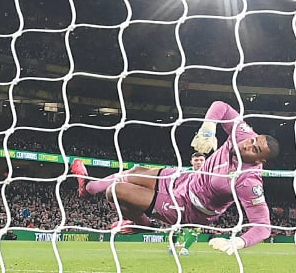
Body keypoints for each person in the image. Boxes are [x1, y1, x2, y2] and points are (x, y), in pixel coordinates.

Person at [71, 100, 280, 255]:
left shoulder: (249, 181)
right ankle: (87, 189)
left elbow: (263, 226)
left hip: (188, 206)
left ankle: (142, 224)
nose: (248, 144)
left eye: (255, 149)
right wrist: (208, 129)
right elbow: (221, 106)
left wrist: (237, 243)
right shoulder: (242, 135)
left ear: (260, 161)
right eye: (253, 140)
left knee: (116, 191)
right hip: (185, 180)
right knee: (135, 171)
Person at [170, 152, 206, 256]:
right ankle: (173, 246)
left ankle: (185, 249)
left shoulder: (210, 174)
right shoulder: (185, 173)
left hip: (200, 207)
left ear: (205, 161)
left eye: (201, 160)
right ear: (191, 162)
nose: (199, 162)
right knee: (176, 227)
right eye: (196, 160)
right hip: (183, 204)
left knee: (196, 230)